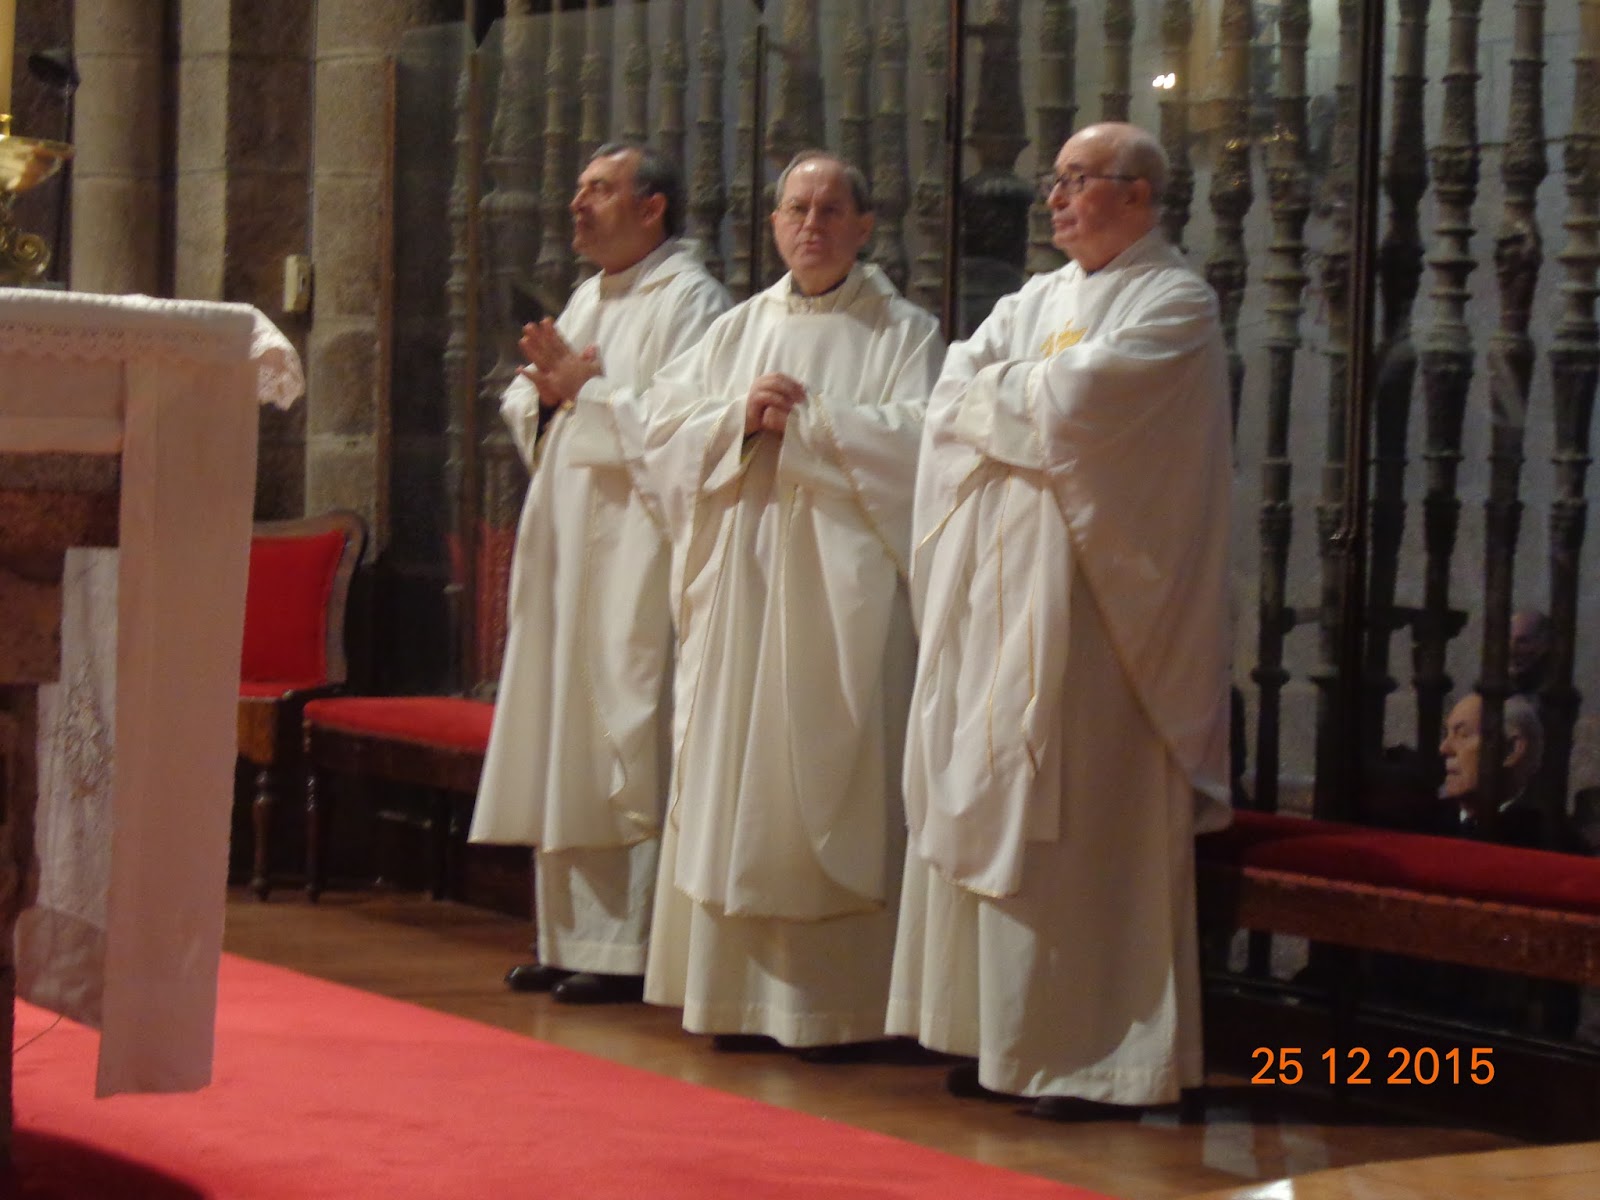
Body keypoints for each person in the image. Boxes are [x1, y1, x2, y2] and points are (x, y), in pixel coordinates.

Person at [521, 150, 944, 1051]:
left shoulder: (905, 332)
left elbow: (925, 446)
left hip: (841, 600)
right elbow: (661, 424)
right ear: (774, 223)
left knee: (833, 780)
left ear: (865, 227)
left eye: (830, 209)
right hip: (742, 589)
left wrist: (814, 423)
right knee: (736, 787)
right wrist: (736, 417)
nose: (811, 225)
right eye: (796, 209)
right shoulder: (739, 328)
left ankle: (842, 1010)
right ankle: (740, 1001)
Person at [887, 122, 1234, 1118]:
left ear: (1139, 196)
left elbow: (1082, 403)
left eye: (1080, 181)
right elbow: (953, 390)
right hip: (1003, 600)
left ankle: (1095, 1057)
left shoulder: (1175, 301)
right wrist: (1014, 403)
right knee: (996, 801)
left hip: (1103, 619)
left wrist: (1006, 401)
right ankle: (999, 1039)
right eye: (1058, 181)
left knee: (1083, 830)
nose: (1058, 199)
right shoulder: (1034, 300)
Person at [468, 142, 731, 1005]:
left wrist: (589, 392)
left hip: (636, 549)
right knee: (566, 729)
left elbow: (689, 424)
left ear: (653, 207)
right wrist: (549, 397)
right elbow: (531, 399)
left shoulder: (692, 300)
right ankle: (565, 936)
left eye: (600, 190)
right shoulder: (588, 295)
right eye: (579, 188)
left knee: (626, 725)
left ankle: (627, 949)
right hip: (567, 539)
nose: (578, 204)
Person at [1440, 690, 1582, 853]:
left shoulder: (1547, 838)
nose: (1444, 748)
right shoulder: (1428, 821)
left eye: (1463, 734)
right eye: (1446, 734)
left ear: (1512, 750)